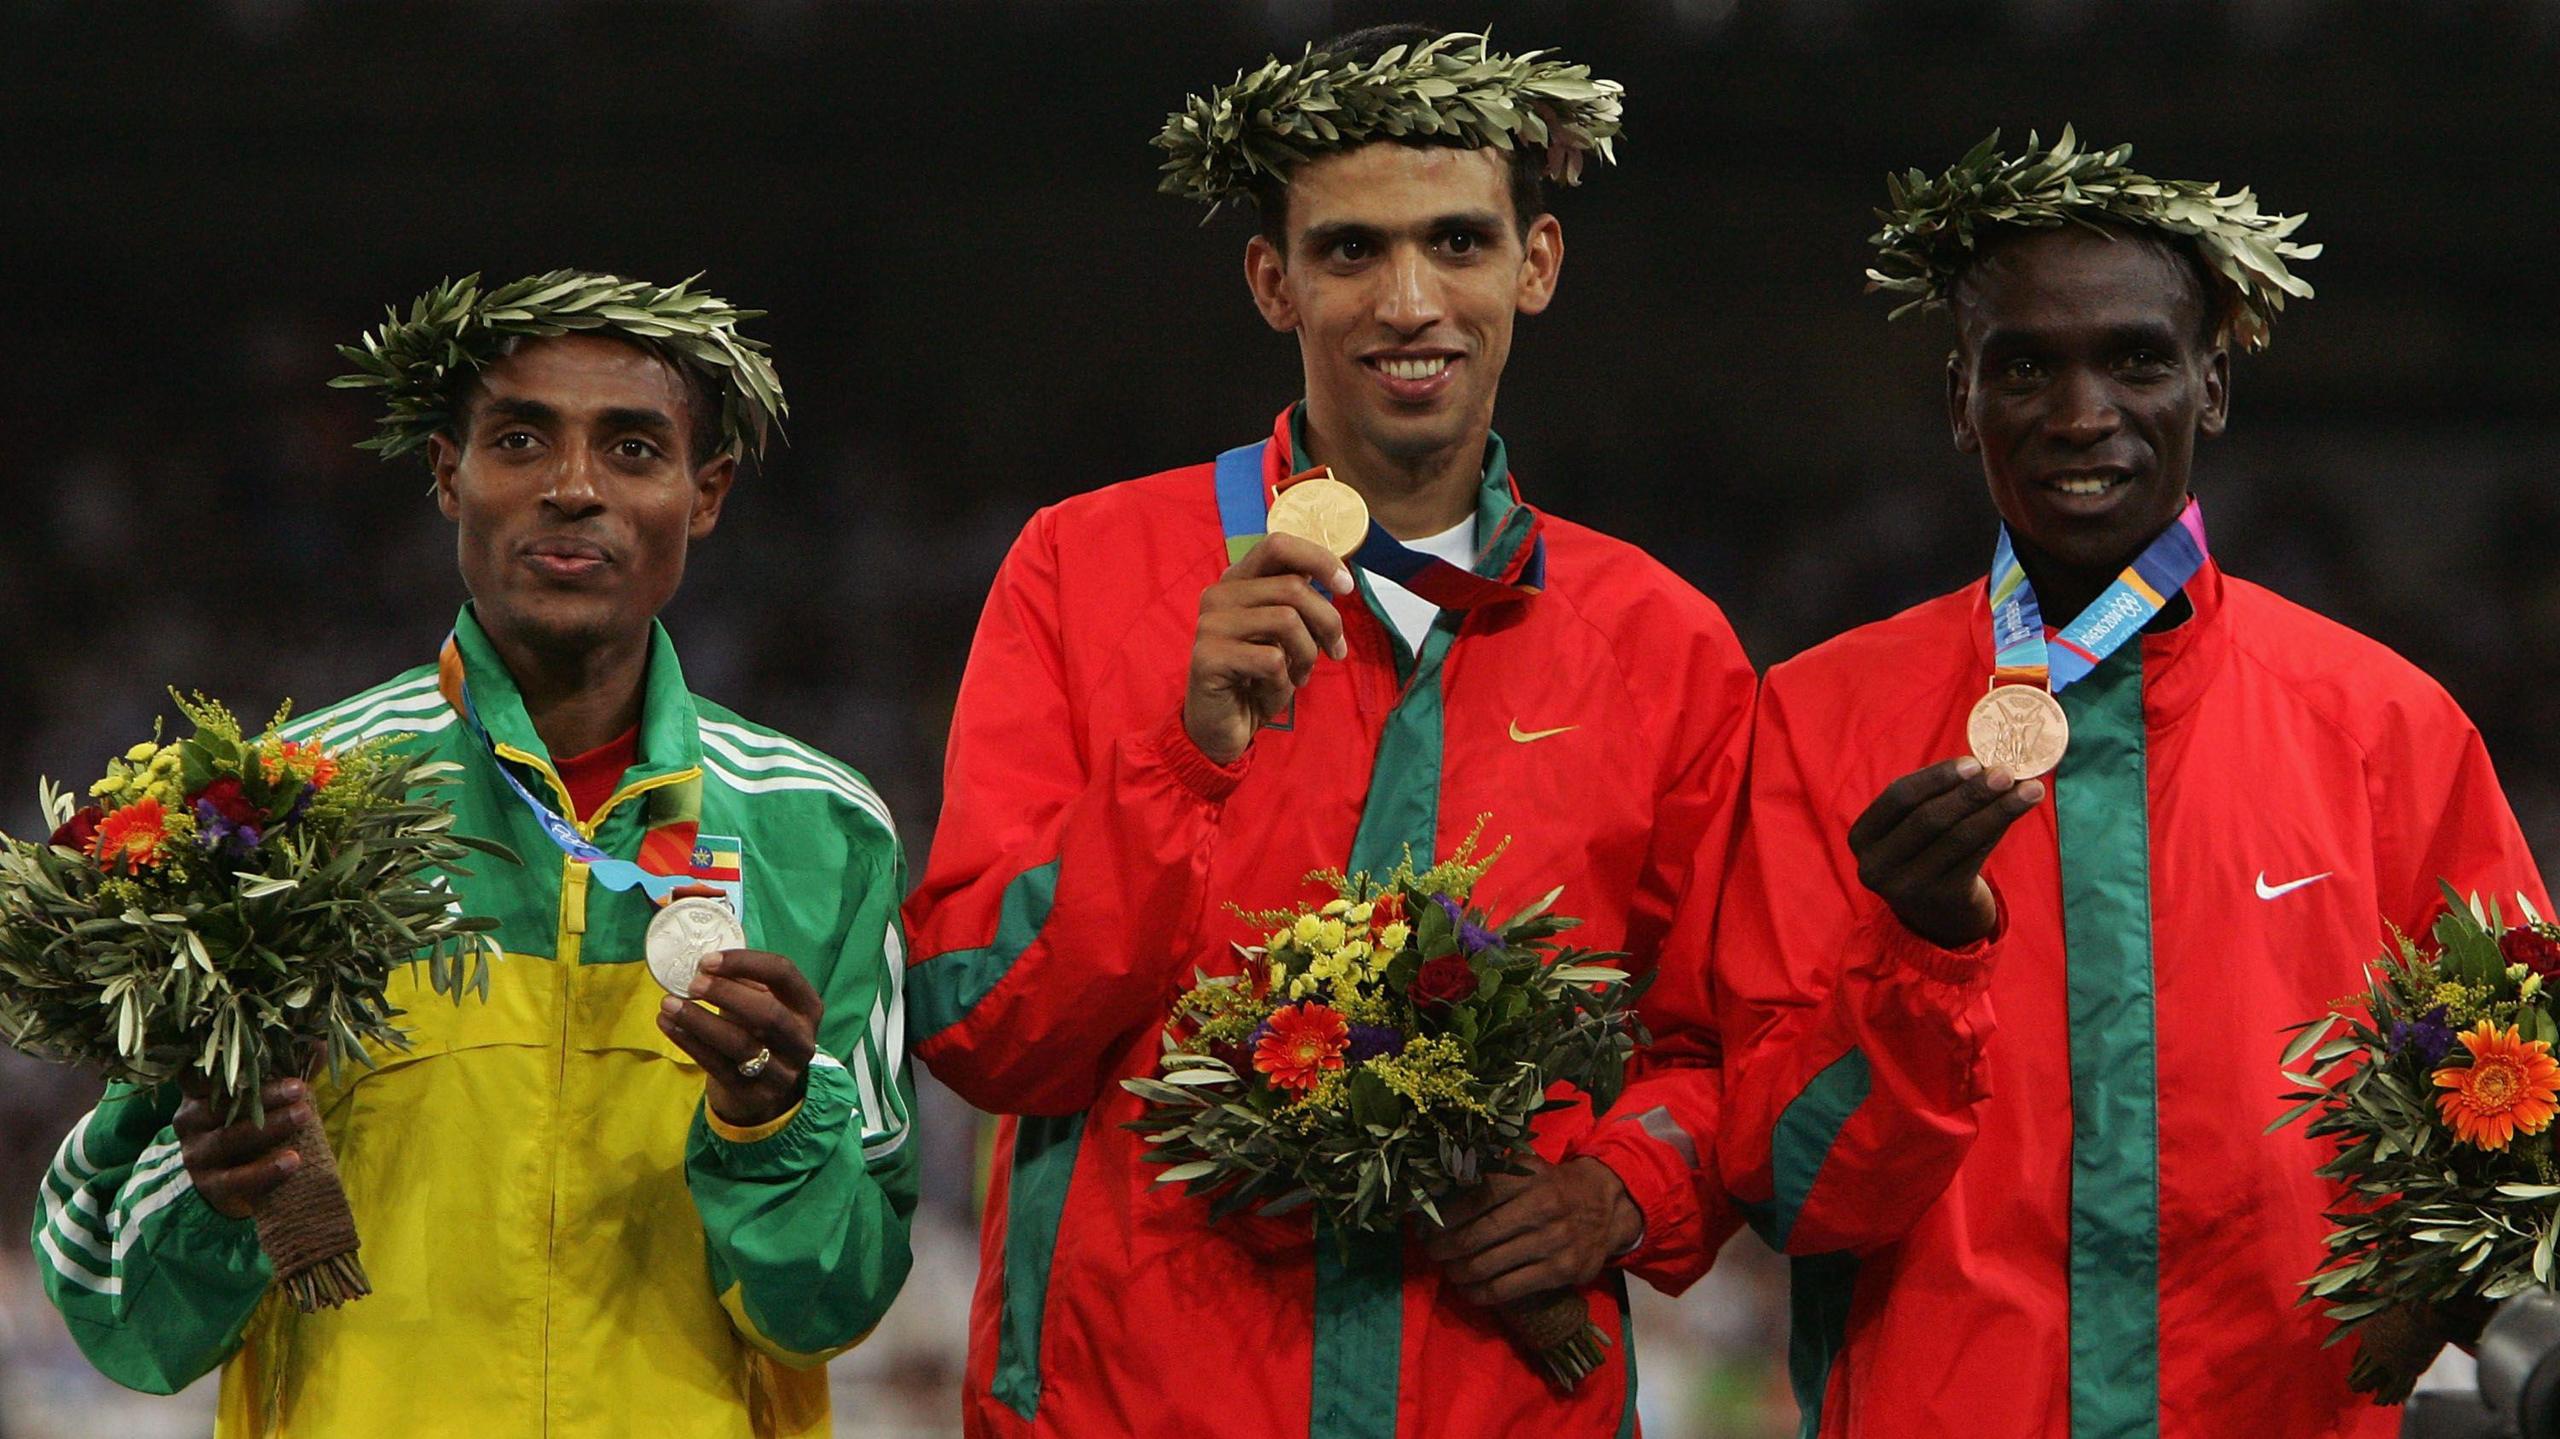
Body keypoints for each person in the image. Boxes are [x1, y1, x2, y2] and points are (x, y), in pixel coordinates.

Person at [902, 26, 1752, 1439]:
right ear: (1271, 280)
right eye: (1351, 250)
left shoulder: (1664, 646)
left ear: (1535, 265)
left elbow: (1726, 1048)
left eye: (1459, 244)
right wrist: (1184, 759)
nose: (1410, 300)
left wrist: (1619, 1188)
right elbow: (986, 1026)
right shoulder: (1085, 569)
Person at [1706, 130, 2544, 1436]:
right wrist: (1918, 955)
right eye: (2024, 364)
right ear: (1958, 396)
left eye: (2136, 358)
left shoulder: (2385, 723)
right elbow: (1791, 1187)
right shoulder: (1818, 717)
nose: (2081, 412)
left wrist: (2448, 1304)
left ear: (2212, 383)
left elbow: (2520, 1122)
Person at [31, 272, 917, 1438]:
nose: (573, 488)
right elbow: (119, 1319)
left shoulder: (824, 831)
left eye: (635, 449)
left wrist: (769, 1127)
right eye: (519, 440)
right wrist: (210, 1191)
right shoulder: (276, 814)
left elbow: (833, 1308)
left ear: (704, 497)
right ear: (449, 475)